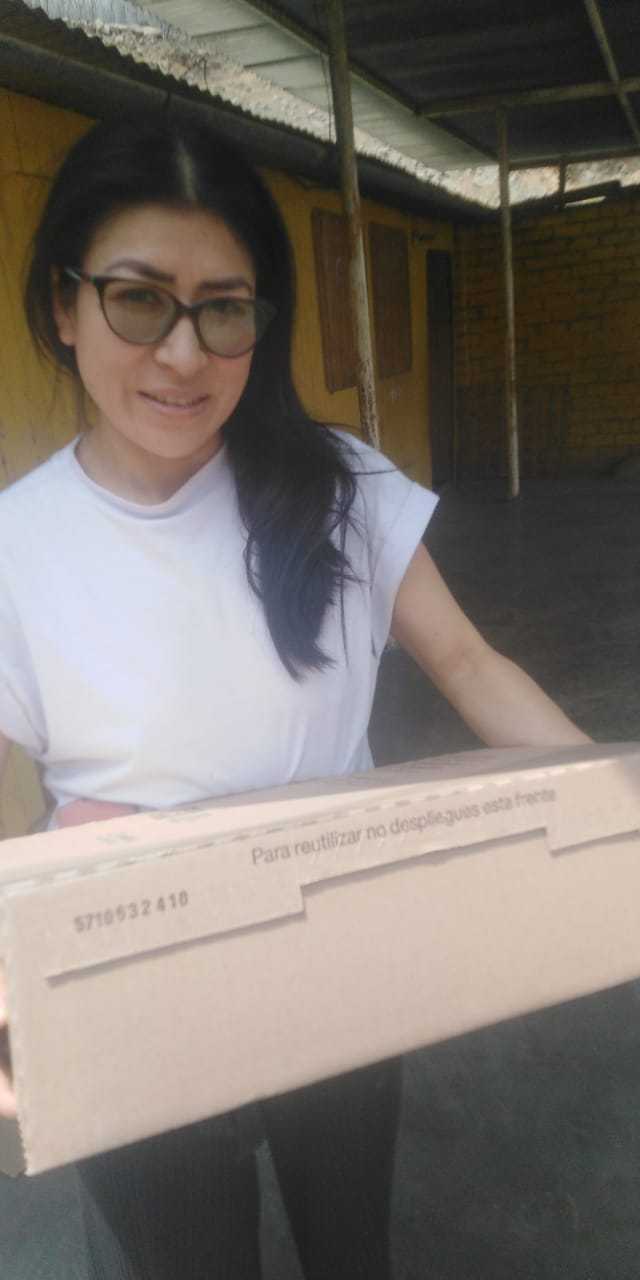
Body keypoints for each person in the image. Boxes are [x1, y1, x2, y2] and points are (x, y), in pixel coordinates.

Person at [0, 112, 588, 1279]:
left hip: (335, 954)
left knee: (347, 1240)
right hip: (133, 981)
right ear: (64, 305)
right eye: (139, 299)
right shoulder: (19, 544)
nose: (183, 353)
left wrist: (611, 812)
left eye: (224, 307)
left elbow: (467, 662)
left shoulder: (336, 487)